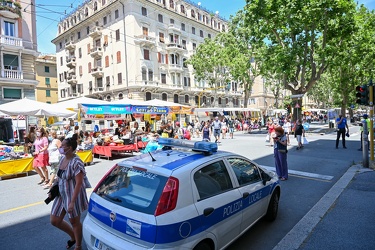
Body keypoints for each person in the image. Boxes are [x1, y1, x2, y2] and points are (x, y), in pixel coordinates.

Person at [50, 133, 89, 250]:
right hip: (62, 194)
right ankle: (73, 236)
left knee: (74, 222)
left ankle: (78, 245)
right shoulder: (62, 159)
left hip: (73, 195)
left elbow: (79, 183)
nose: (60, 147)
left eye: (62, 146)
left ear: (70, 148)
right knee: (55, 220)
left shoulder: (76, 162)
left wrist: (72, 202)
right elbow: (59, 176)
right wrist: (53, 188)